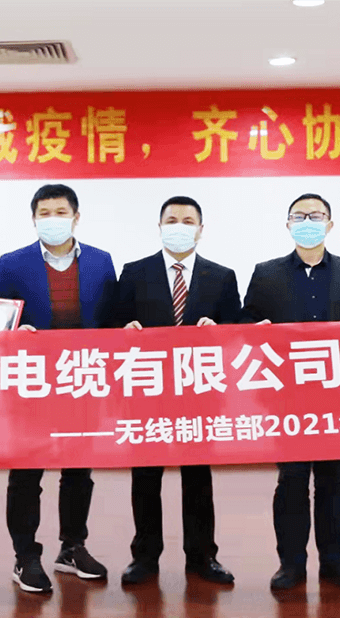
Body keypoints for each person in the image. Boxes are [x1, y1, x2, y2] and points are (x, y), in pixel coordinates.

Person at [240, 193, 340, 592]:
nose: (307, 222)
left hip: (338, 398)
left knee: (333, 483)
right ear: (287, 225)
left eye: (315, 216)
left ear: (330, 224)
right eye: (298, 216)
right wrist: (254, 329)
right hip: (287, 399)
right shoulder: (266, 273)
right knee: (292, 481)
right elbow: (245, 323)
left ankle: (336, 563)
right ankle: (291, 564)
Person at [0, 183, 117, 594]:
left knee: (78, 471)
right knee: (26, 473)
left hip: (83, 382)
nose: (52, 219)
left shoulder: (101, 261)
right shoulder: (12, 264)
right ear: (33, 219)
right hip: (31, 385)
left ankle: (72, 547)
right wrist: (14, 332)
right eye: (44, 213)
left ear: (76, 217)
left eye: (60, 212)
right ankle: (25, 555)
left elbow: (112, 319)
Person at [113, 196, 240, 586]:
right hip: (148, 390)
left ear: (201, 230)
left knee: (198, 477)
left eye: (188, 221)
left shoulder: (222, 276)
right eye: (172, 220)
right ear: (159, 227)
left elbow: (238, 330)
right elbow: (111, 325)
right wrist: (125, 330)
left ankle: (202, 556)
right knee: (145, 476)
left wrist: (219, 331)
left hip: (199, 392)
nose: (179, 227)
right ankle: (144, 557)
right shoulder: (134, 272)